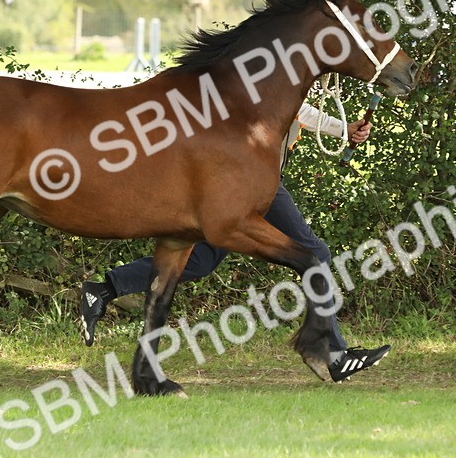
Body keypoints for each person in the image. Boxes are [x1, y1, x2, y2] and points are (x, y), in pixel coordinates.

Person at [79, 102, 391, 382]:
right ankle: (332, 355)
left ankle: (104, 289)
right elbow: (294, 107)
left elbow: (300, 110)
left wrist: (343, 129)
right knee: (314, 253)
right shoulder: (272, 71)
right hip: (247, 186)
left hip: (240, 188)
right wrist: (341, 129)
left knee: (199, 262)